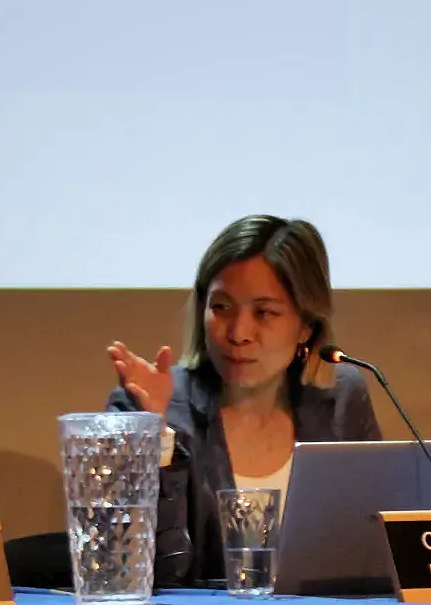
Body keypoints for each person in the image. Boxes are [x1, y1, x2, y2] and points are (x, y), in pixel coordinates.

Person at [106, 215, 380, 585]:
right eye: (221, 307)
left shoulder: (340, 399)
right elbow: (144, 574)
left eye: (264, 312)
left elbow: (372, 554)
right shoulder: (148, 406)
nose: (238, 333)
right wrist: (156, 438)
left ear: (306, 326)